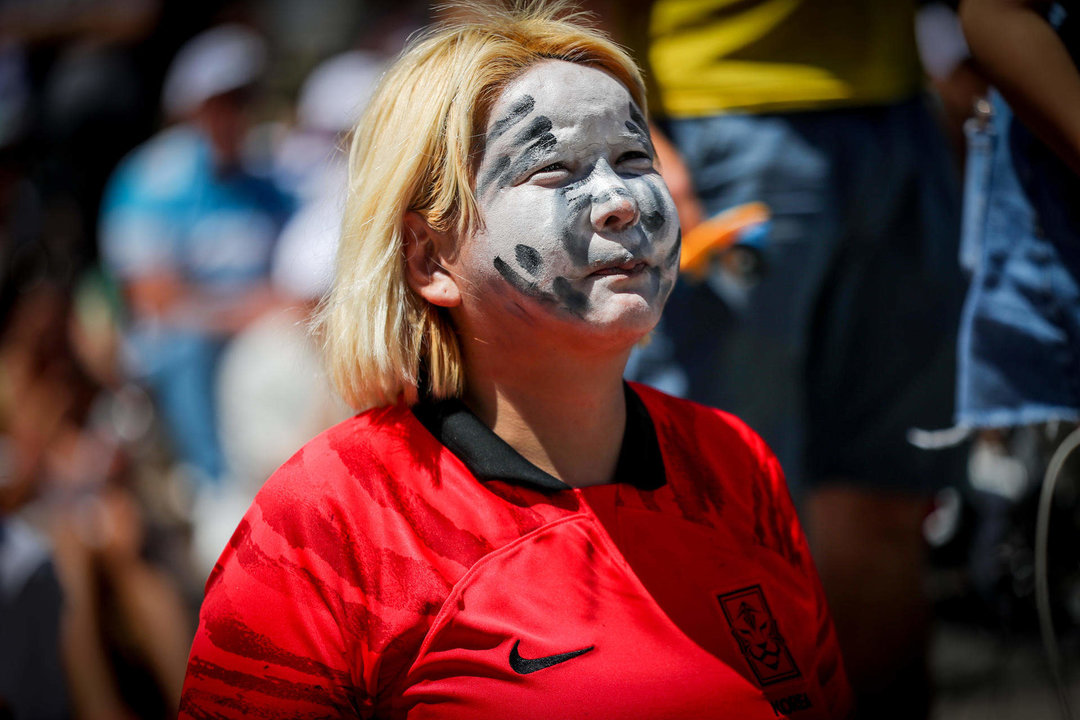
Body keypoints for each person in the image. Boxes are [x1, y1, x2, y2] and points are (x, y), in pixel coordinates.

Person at [180, 3, 853, 718]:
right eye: (554, 169)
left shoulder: (733, 466)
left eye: (633, 159)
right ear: (429, 256)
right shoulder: (335, 517)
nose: (620, 200)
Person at [98, 24, 293, 491]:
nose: (236, 114)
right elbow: (154, 300)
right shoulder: (149, 181)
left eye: (244, 99)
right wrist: (255, 310)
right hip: (170, 349)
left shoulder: (268, 182)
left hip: (251, 334)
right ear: (190, 107)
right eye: (223, 101)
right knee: (189, 345)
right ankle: (211, 487)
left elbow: (298, 284)